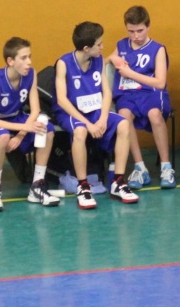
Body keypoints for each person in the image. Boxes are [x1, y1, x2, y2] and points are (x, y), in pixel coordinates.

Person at [54, 21, 139, 209]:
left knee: (124, 124)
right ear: (86, 48)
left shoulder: (99, 60)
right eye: (99, 44)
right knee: (80, 132)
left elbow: (106, 92)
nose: (102, 47)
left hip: (95, 110)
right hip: (71, 112)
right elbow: (62, 100)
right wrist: (88, 124)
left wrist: (102, 118)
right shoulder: (63, 63)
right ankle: (83, 186)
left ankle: (118, 182)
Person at [0, 37, 61, 212]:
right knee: (3, 136)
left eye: (30, 57)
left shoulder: (31, 74)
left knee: (47, 130)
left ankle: (37, 186)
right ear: (10, 61)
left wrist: (20, 135)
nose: (29, 62)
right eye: (24, 58)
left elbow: (35, 110)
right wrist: (24, 128)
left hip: (14, 117)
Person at [110, 5, 175, 189]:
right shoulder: (122, 45)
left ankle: (166, 167)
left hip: (151, 92)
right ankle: (140, 167)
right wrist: (113, 58)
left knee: (154, 114)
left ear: (148, 26)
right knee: (124, 117)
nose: (136, 36)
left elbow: (160, 82)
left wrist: (130, 73)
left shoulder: (157, 49)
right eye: (131, 31)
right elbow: (106, 60)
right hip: (128, 94)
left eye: (140, 31)